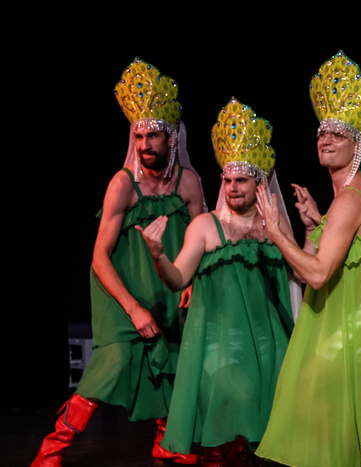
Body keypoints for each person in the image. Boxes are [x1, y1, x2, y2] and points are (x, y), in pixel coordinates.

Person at [31, 57, 205, 467]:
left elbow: (202, 240)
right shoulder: (123, 185)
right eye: (138, 136)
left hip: (168, 285)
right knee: (113, 365)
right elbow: (99, 257)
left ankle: (167, 442)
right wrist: (133, 308)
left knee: (174, 361)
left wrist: (194, 284)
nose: (144, 145)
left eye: (153, 135)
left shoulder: (190, 183)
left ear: (171, 137)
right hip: (122, 291)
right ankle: (51, 450)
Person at [254, 51, 361, 467]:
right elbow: (323, 263)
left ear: (359, 144)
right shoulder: (350, 198)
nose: (324, 140)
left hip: (356, 340)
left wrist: (276, 233)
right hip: (358, 335)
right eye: (321, 132)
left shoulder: (348, 200)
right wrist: (314, 226)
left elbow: (317, 274)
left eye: (337, 134)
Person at [138, 97, 297, 466]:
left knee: (263, 439)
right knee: (224, 426)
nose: (231, 187)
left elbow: (302, 273)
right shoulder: (205, 227)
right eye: (227, 180)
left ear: (259, 183)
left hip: (269, 345)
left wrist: (309, 232)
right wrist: (158, 254)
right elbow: (178, 279)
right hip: (220, 346)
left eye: (241, 180)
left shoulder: (274, 227)